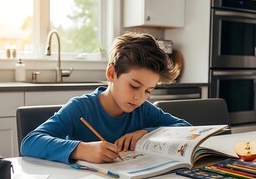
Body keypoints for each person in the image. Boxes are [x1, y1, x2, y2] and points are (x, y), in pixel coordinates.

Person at [21, 32, 191, 164]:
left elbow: (187, 129)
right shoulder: (81, 108)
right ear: (111, 73)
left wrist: (145, 133)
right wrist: (81, 150)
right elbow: (30, 142)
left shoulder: (143, 109)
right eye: (134, 86)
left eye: (148, 91)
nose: (139, 97)